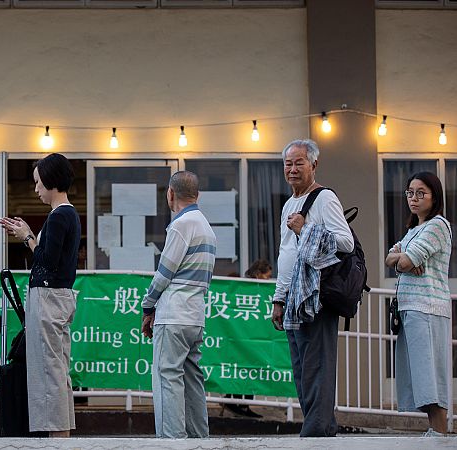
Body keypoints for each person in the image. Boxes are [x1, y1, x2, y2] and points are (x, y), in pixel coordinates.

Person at [270, 139, 353, 437]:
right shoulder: (289, 204)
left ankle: (315, 433)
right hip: (293, 296)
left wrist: (305, 228)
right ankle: (322, 430)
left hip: (316, 295)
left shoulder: (325, 198)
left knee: (317, 367)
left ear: (314, 165)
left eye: (299, 162)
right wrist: (278, 298)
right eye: (288, 164)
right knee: (303, 369)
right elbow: (284, 252)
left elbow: (346, 242)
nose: (292, 169)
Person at [0, 153, 81, 437]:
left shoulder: (60, 216)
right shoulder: (68, 214)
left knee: (48, 371)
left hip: (49, 298)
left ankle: (56, 437)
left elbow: (47, 261)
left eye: (38, 182)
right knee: (56, 368)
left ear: (50, 180)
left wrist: (27, 236)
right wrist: (30, 234)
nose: (35, 189)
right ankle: (61, 435)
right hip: (58, 297)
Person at [140, 170, 216, 439]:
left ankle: (172, 442)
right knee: (193, 380)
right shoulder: (206, 227)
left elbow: (164, 272)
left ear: (170, 194)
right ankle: (199, 440)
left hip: (173, 314)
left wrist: (148, 306)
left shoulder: (181, 225)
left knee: (167, 379)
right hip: (195, 316)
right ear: (197, 195)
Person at [384, 171, 452, 437]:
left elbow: (402, 262)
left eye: (421, 193)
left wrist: (402, 259)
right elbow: (392, 258)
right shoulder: (414, 229)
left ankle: (440, 434)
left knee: (430, 376)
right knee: (419, 376)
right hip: (411, 309)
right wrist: (401, 258)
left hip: (428, 308)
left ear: (434, 197)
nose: (413, 198)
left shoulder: (438, 225)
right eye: (410, 192)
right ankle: (434, 431)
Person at [222, 259, 273, 419]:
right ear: (258, 274)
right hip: (244, 335)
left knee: (251, 369)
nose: (269, 280)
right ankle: (232, 401)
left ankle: (243, 404)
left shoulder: (257, 288)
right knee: (243, 368)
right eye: (267, 276)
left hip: (251, 335)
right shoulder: (247, 287)